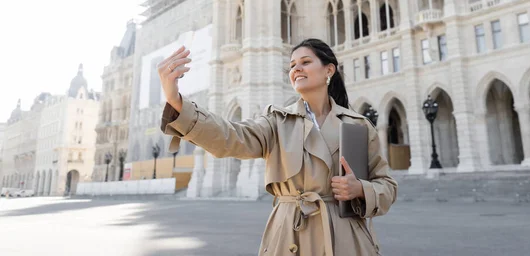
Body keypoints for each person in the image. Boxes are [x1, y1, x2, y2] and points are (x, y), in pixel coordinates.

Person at [159, 38, 398, 255]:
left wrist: (359, 190)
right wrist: (176, 102)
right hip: (289, 238)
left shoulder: (358, 125)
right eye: (292, 66)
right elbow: (231, 136)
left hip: (345, 239)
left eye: (305, 62)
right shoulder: (276, 122)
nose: (296, 69)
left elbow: (386, 185)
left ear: (329, 70)